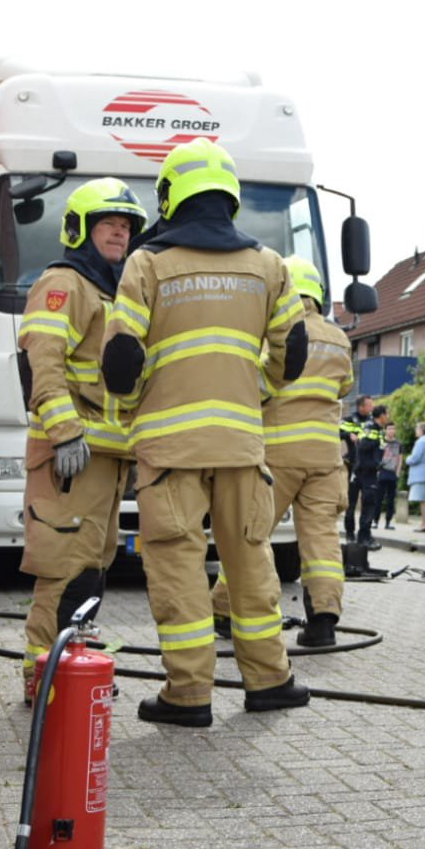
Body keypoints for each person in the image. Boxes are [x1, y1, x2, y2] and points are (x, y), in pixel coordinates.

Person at [102, 137, 310, 727]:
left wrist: (139, 403)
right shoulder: (269, 266)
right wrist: (256, 393)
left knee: (178, 567)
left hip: (170, 451)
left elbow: (120, 360)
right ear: (230, 198)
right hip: (243, 446)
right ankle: (271, 681)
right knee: (250, 561)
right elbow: (290, 352)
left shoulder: (148, 264)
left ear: (170, 195)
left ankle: (188, 694)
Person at [16, 177, 145, 704]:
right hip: (71, 456)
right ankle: (41, 683)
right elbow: (41, 358)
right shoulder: (65, 283)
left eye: (126, 226)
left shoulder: (111, 290)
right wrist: (66, 432)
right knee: (63, 569)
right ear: (81, 230)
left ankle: (69, 673)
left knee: (91, 571)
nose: (120, 233)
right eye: (109, 223)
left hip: (106, 457)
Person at [210, 256, 354, 648]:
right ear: (319, 295)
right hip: (326, 458)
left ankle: (223, 610)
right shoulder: (340, 339)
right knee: (322, 541)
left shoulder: (272, 332)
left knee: (250, 534)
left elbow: (257, 384)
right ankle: (323, 622)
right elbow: (344, 387)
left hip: (278, 454)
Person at [353, 404, 388, 550]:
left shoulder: (377, 430)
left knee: (370, 505)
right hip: (367, 473)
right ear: (382, 416)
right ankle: (363, 538)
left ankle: (365, 535)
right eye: (388, 414)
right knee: (369, 505)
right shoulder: (372, 428)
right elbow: (363, 446)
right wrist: (375, 462)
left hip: (370, 471)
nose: (389, 417)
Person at [341, 394, 374, 542]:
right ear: (360, 406)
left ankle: (365, 534)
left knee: (369, 502)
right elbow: (336, 432)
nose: (371, 407)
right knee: (351, 503)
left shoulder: (372, 421)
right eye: (369, 405)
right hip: (353, 467)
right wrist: (349, 435)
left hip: (369, 469)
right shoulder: (349, 420)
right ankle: (349, 533)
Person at [404, 422, 425, 532]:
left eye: (417, 429)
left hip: (420, 473)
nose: (416, 431)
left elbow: (415, 458)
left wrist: (407, 459)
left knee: (423, 500)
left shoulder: (421, 442)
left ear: (422, 430)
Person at [374, 422, 401, 530]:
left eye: (393, 429)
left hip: (392, 473)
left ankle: (388, 522)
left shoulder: (398, 443)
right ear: (385, 430)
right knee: (378, 499)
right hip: (381, 472)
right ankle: (375, 521)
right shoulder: (381, 441)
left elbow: (400, 459)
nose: (391, 431)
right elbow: (376, 456)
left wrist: (398, 473)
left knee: (391, 500)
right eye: (389, 429)